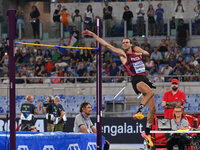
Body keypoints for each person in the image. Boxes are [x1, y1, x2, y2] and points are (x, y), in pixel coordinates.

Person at [82, 30, 156, 147]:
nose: (124, 44)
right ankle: (139, 111)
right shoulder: (123, 54)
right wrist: (93, 35)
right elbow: (107, 45)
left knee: (153, 109)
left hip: (145, 78)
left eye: (127, 42)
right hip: (136, 80)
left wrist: (140, 52)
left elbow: (147, 53)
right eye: (123, 42)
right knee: (150, 92)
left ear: (131, 44)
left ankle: (146, 132)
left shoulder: (136, 50)